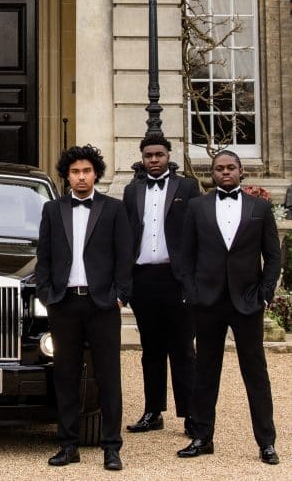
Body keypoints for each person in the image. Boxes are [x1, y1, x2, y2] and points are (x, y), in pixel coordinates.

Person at [177, 150, 281, 465]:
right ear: (212, 173)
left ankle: (266, 443)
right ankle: (202, 437)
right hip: (207, 301)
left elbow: (273, 256)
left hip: (247, 301)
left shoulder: (260, 208)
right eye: (219, 168)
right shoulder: (197, 207)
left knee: (256, 373)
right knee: (206, 372)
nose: (225, 172)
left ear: (240, 172)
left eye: (231, 167)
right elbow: (185, 256)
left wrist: (264, 293)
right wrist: (191, 293)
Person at [36, 144, 133, 472]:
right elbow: (44, 257)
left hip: (102, 303)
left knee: (108, 376)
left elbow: (124, 256)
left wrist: (121, 295)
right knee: (65, 375)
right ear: (66, 175)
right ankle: (67, 444)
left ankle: (111, 447)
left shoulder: (114, 209)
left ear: (96, 174)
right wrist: (47, 294)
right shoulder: (52, 210)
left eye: (87, 171)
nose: (81, 177)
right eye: (75, 172)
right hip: (64, 304)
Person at [123, 134, 198, 436]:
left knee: (183, 349)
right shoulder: (132, 191)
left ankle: (191, 414)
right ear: (142, 158)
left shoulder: (188, 188)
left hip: (176, 279)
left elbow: (197, 233)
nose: (154, 160)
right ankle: (153, 411)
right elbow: (126, 236)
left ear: (169, 155)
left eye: (159, 154)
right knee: (151, 350)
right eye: (148, 155)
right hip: (143, 279)